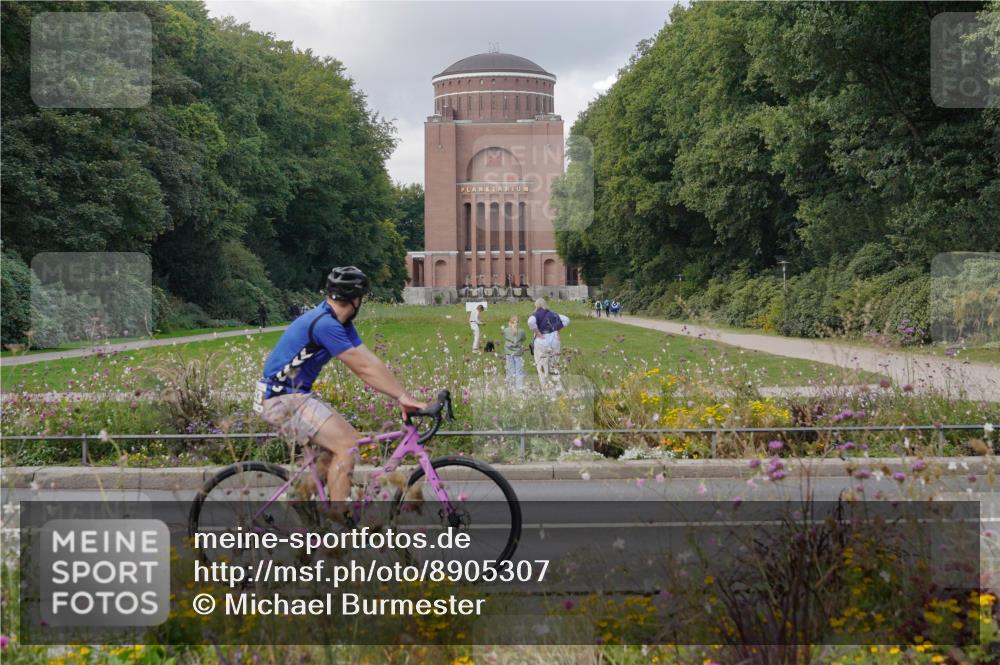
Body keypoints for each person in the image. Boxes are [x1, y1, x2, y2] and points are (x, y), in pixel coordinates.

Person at [255, 266, 424, 509]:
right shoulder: (325, 325)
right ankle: (337, 528)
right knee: (346, 444)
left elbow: (369, 360)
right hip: (281, 398)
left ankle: (303, 509)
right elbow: (363, 368)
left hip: (292, 395)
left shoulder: (337, 323)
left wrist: (403, 396)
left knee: (333, 454)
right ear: (356, 300)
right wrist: (402, 396)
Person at [528, 298, 570, 393]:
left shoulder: (536, 314)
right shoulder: (553, 314)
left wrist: (537, 332)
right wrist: (557, 330)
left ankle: (545, 387)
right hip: (554, 340)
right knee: (554, 364)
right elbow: (567, 320)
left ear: (536, 305)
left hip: (541, 341)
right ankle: (558, 386)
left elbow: (530, 322)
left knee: (541, 364)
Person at [502, 315, 526, 389]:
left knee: (510, 370)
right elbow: (524, 339)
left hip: (509, 352)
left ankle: (510, 386)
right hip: (518, 353)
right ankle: (519, 387)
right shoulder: (522, 331)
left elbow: (504, 335)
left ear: (510, 322)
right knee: (519, 371)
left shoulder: (506, 330)